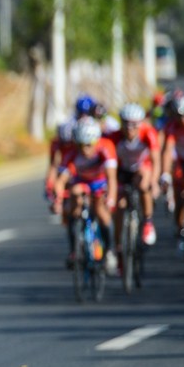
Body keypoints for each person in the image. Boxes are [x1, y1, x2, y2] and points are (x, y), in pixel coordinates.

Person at [51, 116, 119, 274]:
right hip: (82, 182)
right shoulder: (72, 154)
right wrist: (58, 201)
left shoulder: (106, 147)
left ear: (96, 141)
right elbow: (60, 181)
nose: (85, 150)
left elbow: (112, 178)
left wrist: (111, 198)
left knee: (101, 211)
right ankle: (74, 250)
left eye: (89, 145)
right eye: (81, 145)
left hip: (100, 181)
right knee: (72, 204)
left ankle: (109, 251)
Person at [107, 102, 160, 245]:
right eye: (126, 124)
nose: (130, 128)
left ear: (140, 123)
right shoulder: (115, 137)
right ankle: (118, 247)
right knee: (120, 207)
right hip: (123, 171)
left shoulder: (148, 133)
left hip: (141, 169)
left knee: (144, 185)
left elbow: (156, 160)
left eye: (134, 124)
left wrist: (154, 182)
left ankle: (148, 222)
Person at [160, 94, 184, 241]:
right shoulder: (172, 127)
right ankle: (179, 226)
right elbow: (167, 150)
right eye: (177, 116)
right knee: (179, 194)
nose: (181, 120)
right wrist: (165, 173)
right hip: (182, 161)